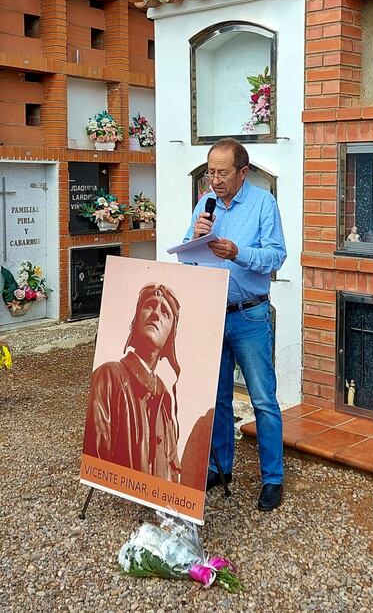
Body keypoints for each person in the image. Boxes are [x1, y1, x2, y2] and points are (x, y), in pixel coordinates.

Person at [184, 137, 287, 511]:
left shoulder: (264, 203)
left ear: (243, 172)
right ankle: (220, 468)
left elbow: (277, 255)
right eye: (210, 172)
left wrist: (237, 253)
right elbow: (185, 256)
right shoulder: (205, 205)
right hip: (213, 313)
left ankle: (272, 478)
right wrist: (194, 240)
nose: (214, 180)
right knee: (218, 398)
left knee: (262, 399)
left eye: (222, 172)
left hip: (250, 315)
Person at [83, 283, 182, 482]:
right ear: (136, 319)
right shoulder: (109, 377)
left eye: (165, 313)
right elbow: (96, 456)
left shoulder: (165, 398)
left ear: (170, 337)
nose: (156, 314)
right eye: (150, 305)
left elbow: (172, 470)